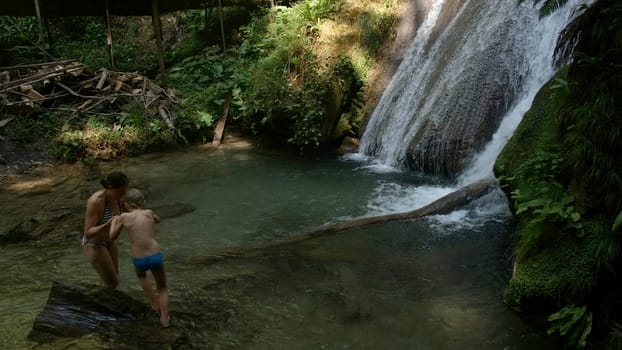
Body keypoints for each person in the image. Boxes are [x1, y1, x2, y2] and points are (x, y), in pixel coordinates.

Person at [110, 188, 170, 327]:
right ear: (142, 202)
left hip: (139, 258)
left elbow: (112, 236)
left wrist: (114, 221)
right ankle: (165, 318)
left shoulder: (124, 217)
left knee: (142, 277)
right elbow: (158, 220)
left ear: (126, 205)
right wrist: (150, 214)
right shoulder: (149, 213)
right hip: (155, 254)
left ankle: (154, 302)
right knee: (162, 287)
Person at [82, 171, 129, 288]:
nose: (125, 193)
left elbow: (129, 214)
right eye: (122, 191)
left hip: (110, 242)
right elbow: (88, 233)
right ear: (110, 188)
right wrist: (106, 226)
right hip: (95, 244)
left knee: (114, 279)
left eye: (126, 190)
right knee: (113, 282)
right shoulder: (96, 202)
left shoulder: (120, 199)